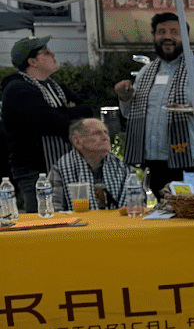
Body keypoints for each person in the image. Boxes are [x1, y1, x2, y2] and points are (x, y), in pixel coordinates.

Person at [115, 12, 194, 196]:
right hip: (157, 163)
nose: (167, 37)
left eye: (174, 32)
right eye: (161, 32)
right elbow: (130, 114)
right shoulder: (145, 73)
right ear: (154, 36)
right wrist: (124, 98)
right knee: (165, 220)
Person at [0, 37, 90, 211]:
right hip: (36, 171)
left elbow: (87, 109)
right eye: (46, 52)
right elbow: (55, 123)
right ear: (32, 61)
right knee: (43, 219)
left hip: (64, 167)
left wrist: (61, 111)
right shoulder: (18, 89)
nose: (53, 54)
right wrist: (66, 111)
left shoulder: (55, 87)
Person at [49, 117, 140, 210]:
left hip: (119, 223)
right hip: (78, 223)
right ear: (77, 141)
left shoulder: (121, 166)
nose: (105, 138)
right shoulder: (61, 168)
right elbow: (54, 208)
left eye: (106, 133)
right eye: (97, 133)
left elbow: (137, 200)